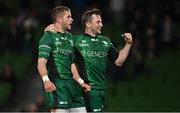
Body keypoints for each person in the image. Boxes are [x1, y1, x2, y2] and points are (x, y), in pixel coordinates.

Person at [45, 8, 133, 112]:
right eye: (98, 22)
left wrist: (128, 44)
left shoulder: (105, 42)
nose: (101, 24)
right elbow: (56, 41)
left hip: (100, 90)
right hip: (84, 89)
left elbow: (119, 61)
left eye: (101, 22)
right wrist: (48, 31)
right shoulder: (76, 40)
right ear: (88, 24)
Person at [37, 6, 90, 113]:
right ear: (59, 19)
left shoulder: (70, 37)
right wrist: (46, 80)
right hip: (58, 86)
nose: (72, 19)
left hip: (73, 87)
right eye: (68, 17)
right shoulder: (48, 37)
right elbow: (41, 63)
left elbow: (71, 63)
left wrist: (80, 81)